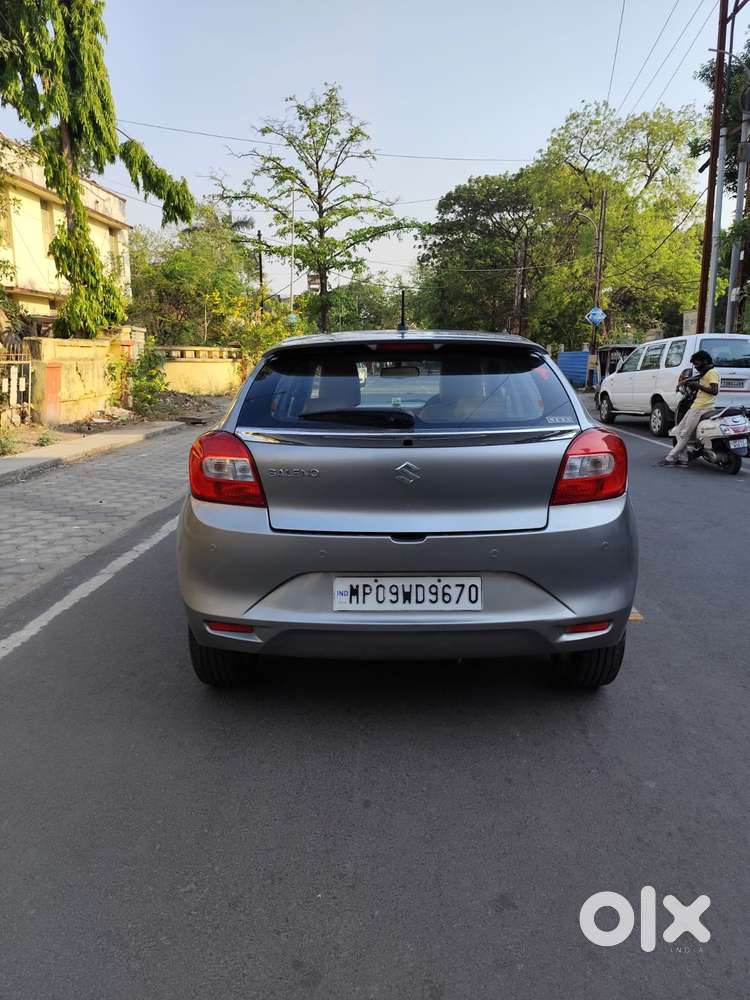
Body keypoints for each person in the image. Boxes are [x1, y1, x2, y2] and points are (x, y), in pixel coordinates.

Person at [659, 350, 720, 467]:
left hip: (702, 407)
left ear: (705, 361)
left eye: (697, 364)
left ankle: (670, 458)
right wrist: (684, 382)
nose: (696, 367)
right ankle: (683, 459)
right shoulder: (705, 372)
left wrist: (697, 386)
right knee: (677, 431)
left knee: (684, 434)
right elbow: (696, 377)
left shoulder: (712, 373)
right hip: (696, 405)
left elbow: (714, 391)